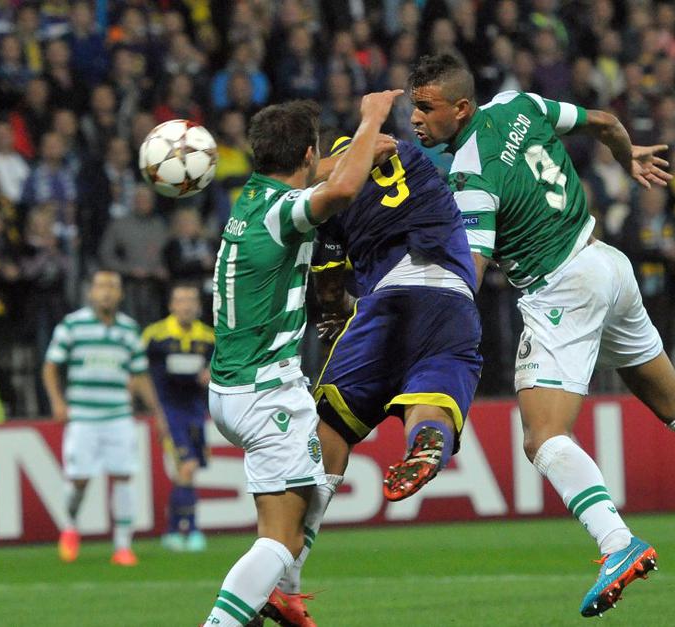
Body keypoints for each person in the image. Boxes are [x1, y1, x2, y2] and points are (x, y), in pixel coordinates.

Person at [407, 54, 675, 618]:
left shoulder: (470, 177)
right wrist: (630, 157)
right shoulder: (519, 103)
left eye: (425, 107)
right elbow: (604, 121)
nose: (415, 118)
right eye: (412, 106)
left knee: (542, 438)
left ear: (459, 108)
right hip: (607, 263)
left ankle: (616, 542)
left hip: (561, 292)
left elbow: (470, 274)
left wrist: (416, 309)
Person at [202, 90, 402, 627]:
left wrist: (362, 150)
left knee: (322, 471)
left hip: (233, 388)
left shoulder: (253, 196)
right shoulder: (283, 212)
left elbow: (326, 174)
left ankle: (283, 596)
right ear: (308, 153)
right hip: (266, 392)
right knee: (281, 540)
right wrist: (371, 120)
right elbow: (340, 188)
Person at [266, 131, 483, 624]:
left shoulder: (332, 198)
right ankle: (427, 441)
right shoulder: (415, 159)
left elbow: (328, 279)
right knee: (433, 393)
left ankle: (287, 579)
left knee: (330, 429)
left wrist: (336, 307)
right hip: (452, 298)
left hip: (384, 301)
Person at [42, 269, 169, 566]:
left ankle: (123, 546)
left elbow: (139, 374)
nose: (106, 292)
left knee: (123, 475)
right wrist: (57, 402)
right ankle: (70, 526)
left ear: (120, 294)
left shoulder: (129, 329)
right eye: (101, 286)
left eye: (112, 286)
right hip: (83, 416)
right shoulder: (73, 325)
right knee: (79, 479)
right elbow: (50, 366)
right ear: (91, 292)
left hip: (118, 415)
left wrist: (157, 413)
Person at [143, 284, 214, 552]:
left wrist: (211, 374)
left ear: (198, 306)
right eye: (180, 300)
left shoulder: (209, 338)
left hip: (195, 411)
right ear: (171, 305)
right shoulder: (155, 335)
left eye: (191, 300)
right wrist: (153, 412)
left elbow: (220, 367)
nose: (186, 306)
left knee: (187, 471)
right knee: (187, 466)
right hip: (169, 411)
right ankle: (191, 529)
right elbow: (138, 371)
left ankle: (172, 530)